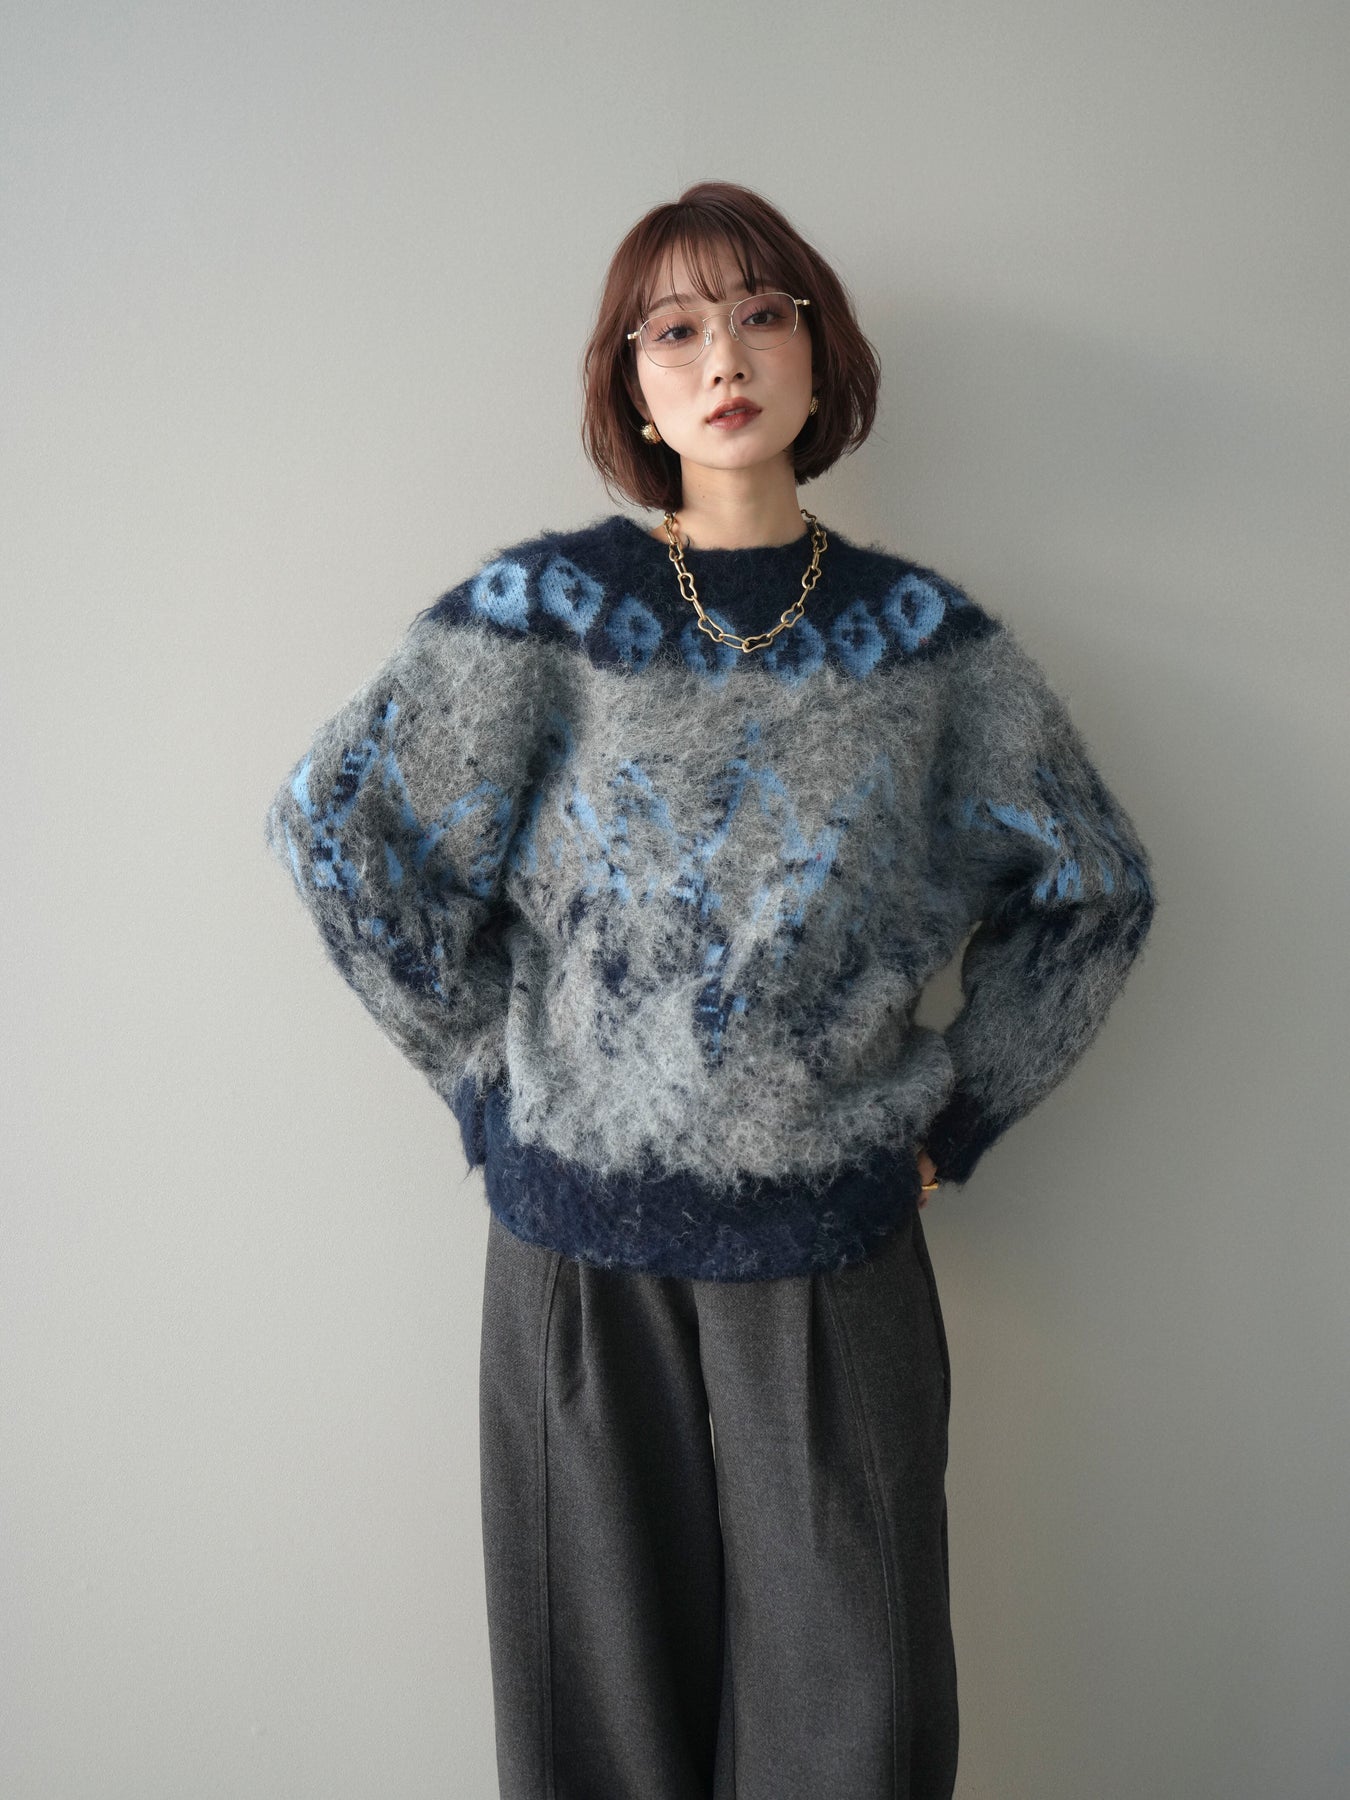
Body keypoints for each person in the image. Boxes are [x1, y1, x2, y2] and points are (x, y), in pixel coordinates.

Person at [263, 180, 1157, 1800]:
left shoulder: (929, 650)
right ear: (628, 381)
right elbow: (341, 832)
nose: (722, 359)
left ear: (821, 352)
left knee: (859, 1724)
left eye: (759, 314)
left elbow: (1088, 889)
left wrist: (956, 1119)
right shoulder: (542, 619)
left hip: (833, 1242)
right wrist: (484, 1076)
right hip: (574, 1260)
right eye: (670, 330)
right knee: (596, 1732)